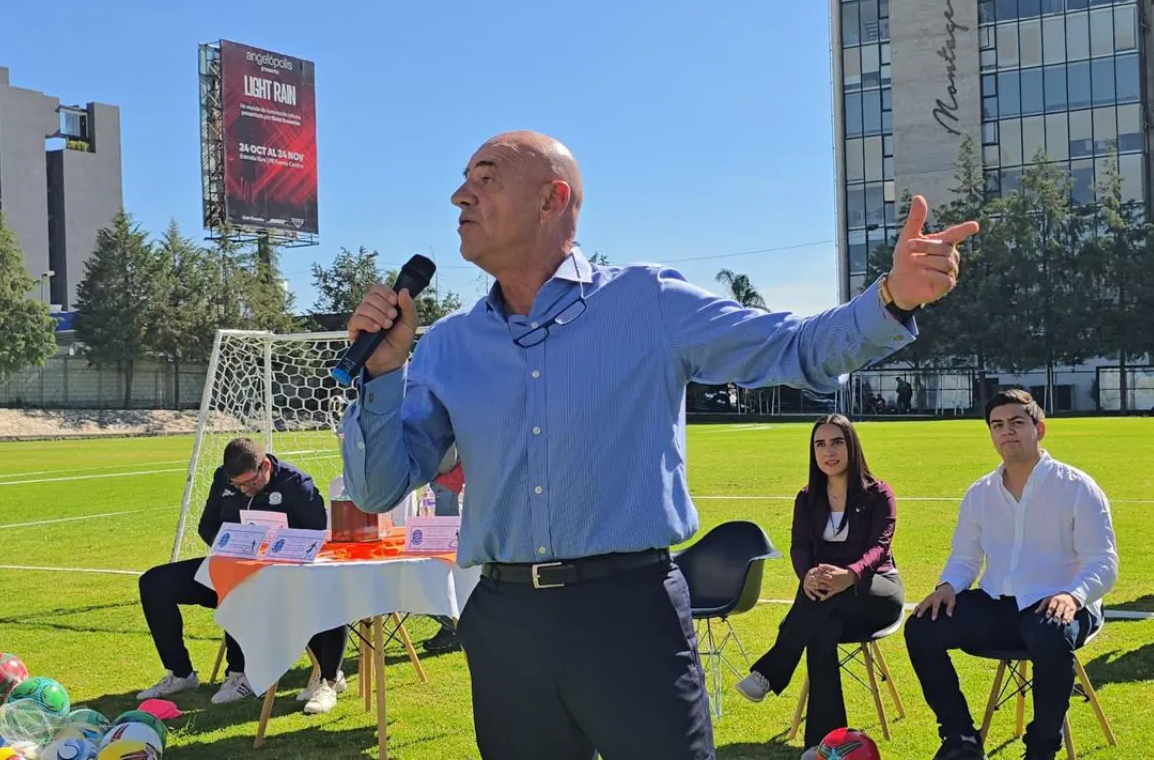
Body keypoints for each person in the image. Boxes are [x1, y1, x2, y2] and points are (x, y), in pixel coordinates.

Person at [339, 131, 977, 760]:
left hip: (629, 613)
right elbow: (378, 488)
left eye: (484, 179)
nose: (459, 197)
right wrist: (382, 375)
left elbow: (795, 346)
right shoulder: (448, 345)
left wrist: (891, 298)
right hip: (507, 621)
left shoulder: (646, 302)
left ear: (551, 199)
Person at [904, 390, 1117, 760]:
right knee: (922, 626)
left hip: (1060, 602)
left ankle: (1041, 747)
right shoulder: (980, 493)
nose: (1007, 432)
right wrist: (947, 587)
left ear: (1040, 428)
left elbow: (1103, 562)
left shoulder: (1077, 486)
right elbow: (965, 558)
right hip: (997, 604)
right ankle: (960, 738)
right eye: (997, 425)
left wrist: (1073, 596)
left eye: (1018, 422)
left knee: (1051, 634)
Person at [137, 438, 350, 715]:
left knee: (254, 588)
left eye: (249, 483)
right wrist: (231, 545)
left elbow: (316, 534)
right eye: (237, 486)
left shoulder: (296, 484)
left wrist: (277, 547)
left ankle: (243, 674)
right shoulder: (223, 479)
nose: (243, 489)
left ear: (264, 466)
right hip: (232, 567)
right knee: (154, 583)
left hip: (282, 579)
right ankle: (181, 674)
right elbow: (207, 526)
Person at [733, 415, 904, 759]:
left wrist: (850, 575)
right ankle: (824, 746)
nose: (829, 451)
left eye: (837, 442)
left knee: (821, 602)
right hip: (829, 600)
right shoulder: (808, 497)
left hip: (876, 590)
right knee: (822, 627)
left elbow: (878, 549)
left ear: (851, 446)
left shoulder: (878, 493)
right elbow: (799, 547)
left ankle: (770, 670)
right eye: (820, 444)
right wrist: (806, 575)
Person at [422, 445, 467, 655]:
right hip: (444, 484)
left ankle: (453, 626)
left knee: (446, 561)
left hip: (448, 486)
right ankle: (453, 624)